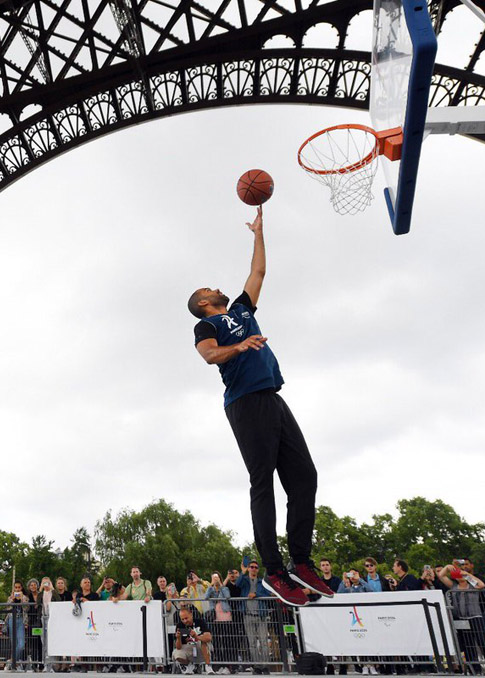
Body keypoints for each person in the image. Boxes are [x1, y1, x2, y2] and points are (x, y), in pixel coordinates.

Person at [189, 205, 331, 606]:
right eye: (207, 289)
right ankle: (273, 571)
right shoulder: (208, 325)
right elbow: (209, 356)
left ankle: (301, 562)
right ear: (202, 303)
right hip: (245, 404)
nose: (214, 287)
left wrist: (258, 235)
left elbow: (258, 274)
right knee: (262, 481)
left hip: (272, 397)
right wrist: (240, 345)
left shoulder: (239, 309)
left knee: (305, 476)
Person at [204, 572, 233, 674]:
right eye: (213, 578)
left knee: (226, 641)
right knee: (216, 642)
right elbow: (205, 597)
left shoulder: (224, 588)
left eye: (216, 577)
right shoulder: (211, 589)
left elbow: (227, 596)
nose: (215, 579)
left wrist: (220, 586)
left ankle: (227, 666)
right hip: (214, 618)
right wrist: (211, 585)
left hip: (225, 617)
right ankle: (220, 665)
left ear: (220, 579)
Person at [173, 607, 215, 675]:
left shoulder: (200, 622)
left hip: (201, 647)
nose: (185, 621)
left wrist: (196, 637)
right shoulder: (179, 625)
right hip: (189, 648)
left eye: (186, 618)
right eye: (182, 619)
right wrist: (178, 638)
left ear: (191, 615)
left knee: (203, 641)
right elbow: (178, 647)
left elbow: (209, 637)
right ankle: (189, 666)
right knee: (177, 654)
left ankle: (208, 666)